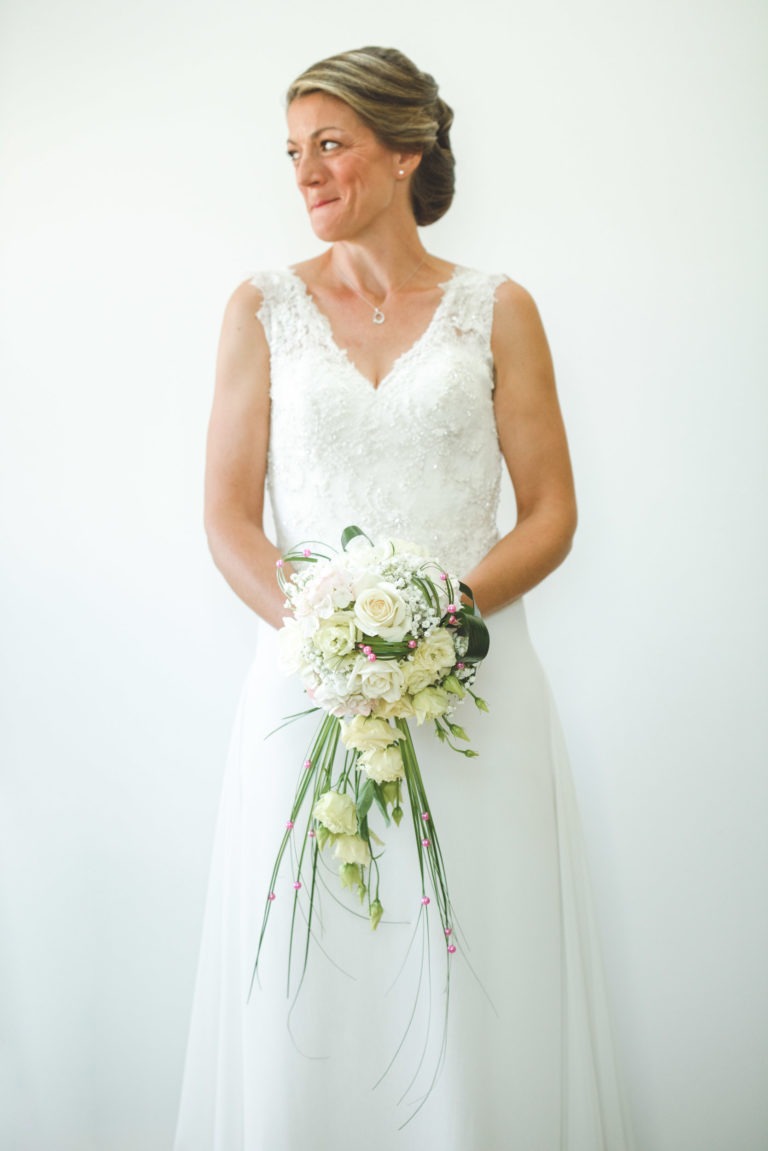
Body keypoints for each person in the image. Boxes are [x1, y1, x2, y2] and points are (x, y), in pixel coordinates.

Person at [174, 46, 634, 1150]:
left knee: (480, 963)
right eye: (294, 152)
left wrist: (433, 623)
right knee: (314, 970)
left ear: (406, 149)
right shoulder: (261, 307)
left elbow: (551, 513)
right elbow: (230, 518)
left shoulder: (497, 308)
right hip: (310, 690)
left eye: (330, 144)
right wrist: (328, 637)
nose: (307, 173)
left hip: (474, 688)